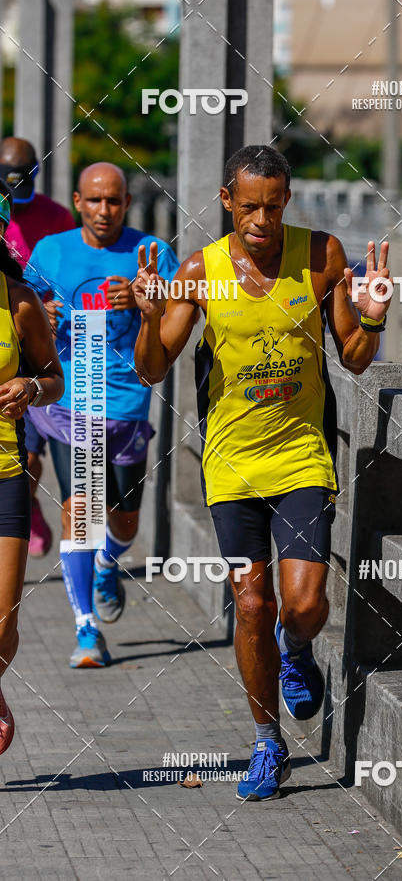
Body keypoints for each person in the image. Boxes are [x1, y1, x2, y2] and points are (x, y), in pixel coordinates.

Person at [133, 145, 390, 800]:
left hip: (301, 456)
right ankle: (268, 743)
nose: (261, 221)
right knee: (251, 604)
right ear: (227, 201)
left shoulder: (321, 255)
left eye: (273, 208)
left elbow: (355, 358)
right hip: (231, 464)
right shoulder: (201, 270)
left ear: (287, 201)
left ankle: (296, 649)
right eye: (249, 207)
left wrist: (372, 315)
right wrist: (150, 318)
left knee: (303, 606)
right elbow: (153, 368)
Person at [23, 162, 179, 668]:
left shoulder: (151, 253)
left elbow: (179, 319)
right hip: (73, 401)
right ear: (77, 202)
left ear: (127, 203)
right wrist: (39, 313)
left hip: (128, 402)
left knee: (124, 521)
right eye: (94, 200)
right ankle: (86, 630)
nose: (104, 210)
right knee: (82, 510)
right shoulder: (51, 251)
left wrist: (143, 301)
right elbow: (21, 302)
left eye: (113, 200)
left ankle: (110, 561)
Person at [0, 179, 64, 752]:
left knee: (3, 624)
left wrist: (31, 387)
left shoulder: (19, 302)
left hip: (5, 474)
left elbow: (54, 380)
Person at [0, 137, 76, 558]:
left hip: (65, 357)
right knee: (32, 462)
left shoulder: (57, 219)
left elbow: (77, 284)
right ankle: (31, 505)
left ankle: (99, 569)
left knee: (83, 497)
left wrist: (47, 307)